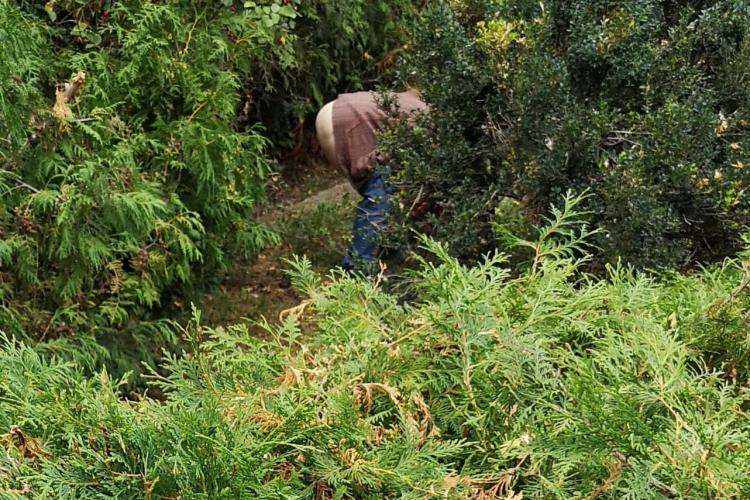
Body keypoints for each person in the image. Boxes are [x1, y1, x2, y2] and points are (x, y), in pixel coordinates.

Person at [315, 89, 428, 273]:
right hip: (348, 121)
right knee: (380, 190)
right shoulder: (435, 121)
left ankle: (389, 250)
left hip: (333, 114)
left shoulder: (416, 102)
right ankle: (358, 267)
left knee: (388, 190)